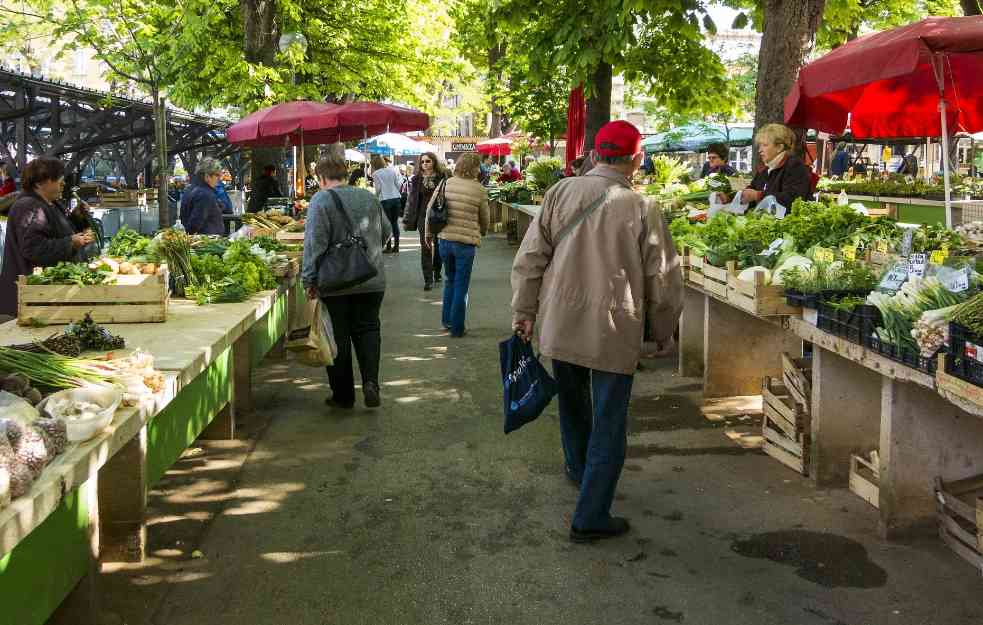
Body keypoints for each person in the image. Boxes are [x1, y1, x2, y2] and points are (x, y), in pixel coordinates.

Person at [511, 120, 682, 543]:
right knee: (609, 419)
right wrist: (662, 332)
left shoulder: (559, 192)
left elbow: (530, 257)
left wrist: (524, 311)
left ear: (593, 155)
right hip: (613, 327)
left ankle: (578, 468)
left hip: (561, 320)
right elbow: (662, 279)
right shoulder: (643, 207)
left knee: (572, 403)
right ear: (636, 159)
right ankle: (590, 514)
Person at [302, 143, 391, 410]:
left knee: (337, 335)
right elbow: (386, 232)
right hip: (372, 279)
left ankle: (343, 395)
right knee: (368, 329)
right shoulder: (368, 197)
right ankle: (371, 383)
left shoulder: (321, 200)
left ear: (321, 178)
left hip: (336, 282)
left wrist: (309, 279)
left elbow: (314, 244)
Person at [0, 157, 96, 318]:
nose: (63, 183)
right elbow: (34, 250)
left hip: (45, 296)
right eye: (58, 179)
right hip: (32, 298)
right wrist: (71, 243)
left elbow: (56, 230)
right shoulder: (28, 207)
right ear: (39, 183)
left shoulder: (49, 203)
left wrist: (77, 218)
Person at [426, 152, 488, 338]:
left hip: (445, 240)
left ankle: (447, 321)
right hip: (465, 244)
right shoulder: (479, 189)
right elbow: (485, 217)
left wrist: (429, 233)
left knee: (449, 281)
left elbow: (431, 208)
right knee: (461, 284)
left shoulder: (447, 183)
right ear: (475, 168)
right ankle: (458, 328)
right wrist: (482, 231)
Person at [732, 123, 813, 210]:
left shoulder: (795, 167)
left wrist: (759, 195)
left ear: (779, 147)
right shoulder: (767, 169)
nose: (760, 150)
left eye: (765, 145)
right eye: (760, 145)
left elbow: (792, 199)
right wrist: (729, 197)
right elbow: (752, 189)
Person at [403, 151, 449, 291]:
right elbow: (411, 200)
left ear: (434, 162)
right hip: (422, 217)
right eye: (422, 162)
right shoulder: (416, 179)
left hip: (438, 216)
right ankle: (428, 279)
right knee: (426, 245)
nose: (425, 164)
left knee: (439, 244)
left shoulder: (443, 177)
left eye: (428, 161)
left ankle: (437, 270)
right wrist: (408, 218)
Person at [180, 158, 226, 235]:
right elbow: (194, 224)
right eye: (217, 175)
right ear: (207, 176)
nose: (219, 179)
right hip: (206, 242)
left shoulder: (190, 189)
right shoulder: (205, 194)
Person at [370, 154, 403, 254]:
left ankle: (388, 247)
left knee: (387, 224)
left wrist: (375, 197)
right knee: (394, 223)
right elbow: (398, 185)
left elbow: (378, 188)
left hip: (385, 200)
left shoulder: (376, 174)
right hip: (396, 198)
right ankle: (396, 246)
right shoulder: (392, 171)